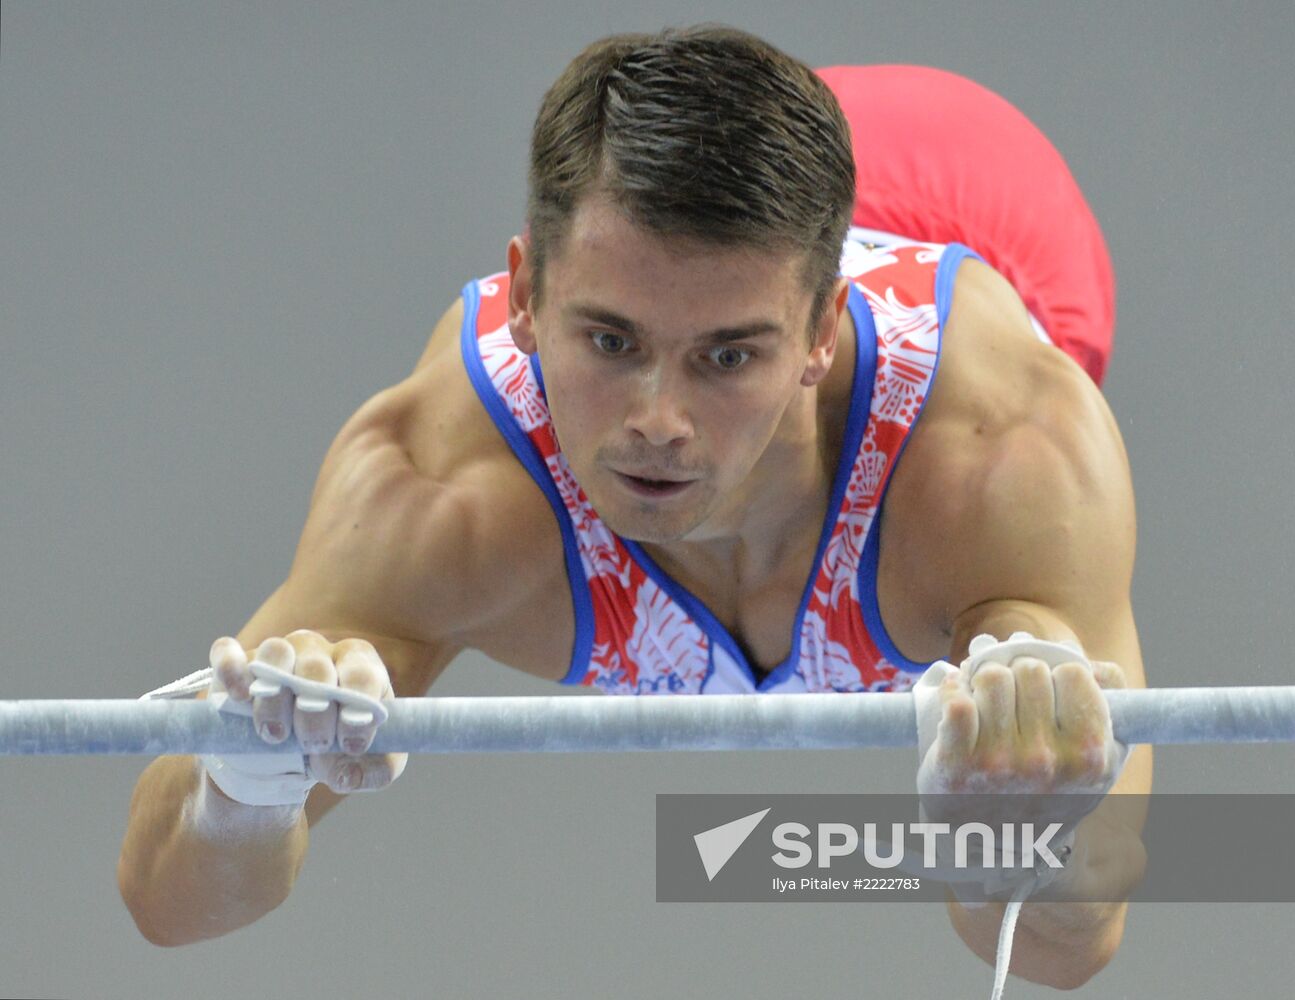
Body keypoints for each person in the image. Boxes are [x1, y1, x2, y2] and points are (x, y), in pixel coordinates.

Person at [117, 25, 1152, 990]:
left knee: (1039, 709)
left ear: (823, 331)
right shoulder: (444, 489)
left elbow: (1073, 947)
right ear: (522, 296)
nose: (659, 421)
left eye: (728, 357)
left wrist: (1016, 830)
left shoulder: (1001, 454)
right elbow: (166, 902)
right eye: (609, 342)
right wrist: (245, 787)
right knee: (700, 245)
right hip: (753, 242)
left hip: (972, 190)